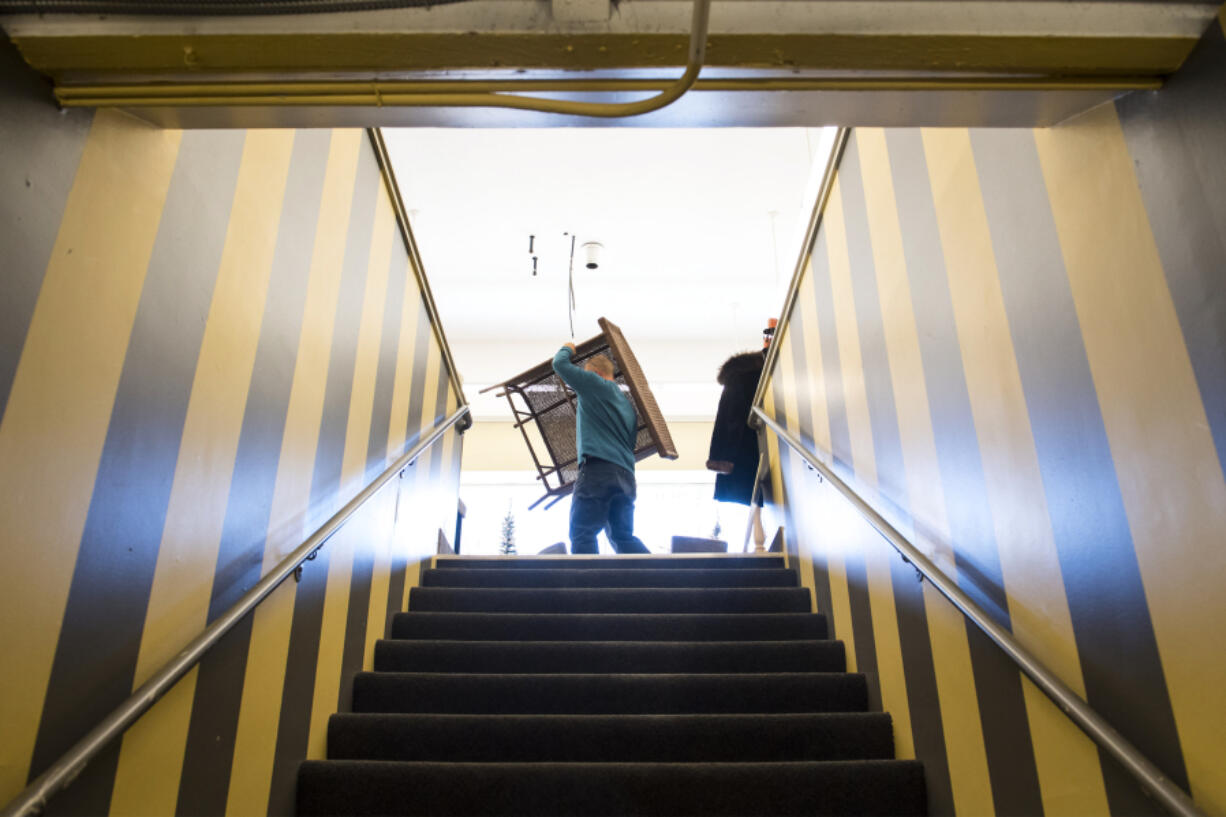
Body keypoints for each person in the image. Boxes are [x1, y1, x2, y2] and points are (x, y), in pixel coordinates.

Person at [552, 342, 650, 554]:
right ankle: (661, 578)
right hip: (626, 477)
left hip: (598, 471)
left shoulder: (594, 383)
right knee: (623, 537)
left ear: (595, 373)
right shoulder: (627, 406)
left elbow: (559, 364)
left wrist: (568, 347)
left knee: (582, 533)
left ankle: (589, 586)